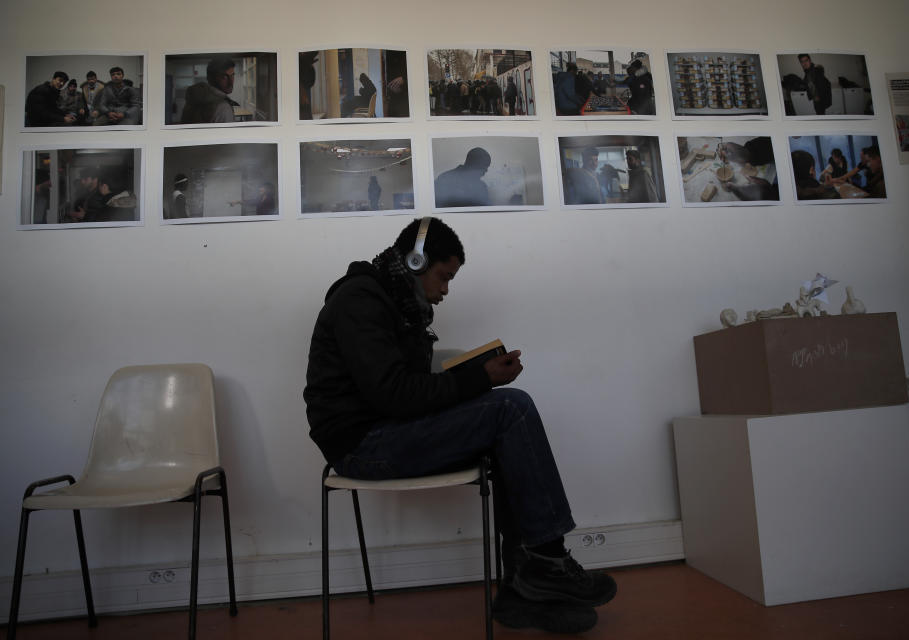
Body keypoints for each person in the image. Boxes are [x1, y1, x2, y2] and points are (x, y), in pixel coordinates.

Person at [303, 217, 617, 634]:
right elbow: (394, 395)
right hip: (362, 446)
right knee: (512, 409)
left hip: (385, 432)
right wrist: (481, 378)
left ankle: (523, 592)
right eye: (444, 276)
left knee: (506, 432)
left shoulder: (399, 305)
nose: (446, 289)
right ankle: (548, 563)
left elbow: (409, 392)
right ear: (416, 261)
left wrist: (475, 377)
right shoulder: (360, 300)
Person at [180, 56, 238, 124]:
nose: (231, 82)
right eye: (224, 76)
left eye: (232, 75)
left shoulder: (194, 99)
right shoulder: (223, 108)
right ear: (210, 78)